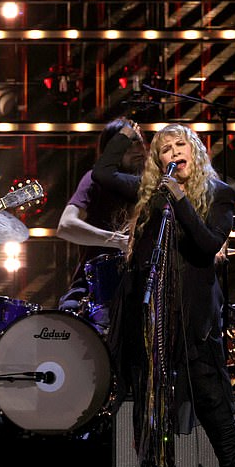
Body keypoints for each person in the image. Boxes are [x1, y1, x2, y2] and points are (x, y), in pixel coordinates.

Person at [93, 122, 235, 467]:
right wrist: (127, 135)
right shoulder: (151, 197)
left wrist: (181, 200)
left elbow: (207, 245)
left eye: (180, 145)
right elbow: (102, 173)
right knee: (150, 415)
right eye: (164, 150)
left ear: (195, 152)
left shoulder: (219, 194)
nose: (173, 154)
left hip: (192, 325)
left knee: (214, 409)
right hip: (150, 324)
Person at [56, 117, 146, 326]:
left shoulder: (150, 185)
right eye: (128, 143)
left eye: (139, 142)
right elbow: (65, 226)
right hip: (94, 286)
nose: (138, 149)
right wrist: (117, 241)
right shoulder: (93, 180)